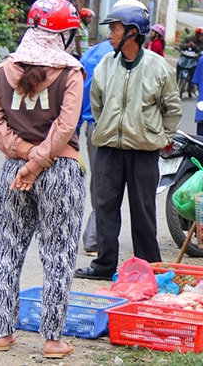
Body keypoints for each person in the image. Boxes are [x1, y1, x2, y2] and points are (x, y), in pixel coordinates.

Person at [0, 0, 86, 358]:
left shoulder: (0, 73)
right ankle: (53, 339)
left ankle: (2, 333)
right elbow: (66, 126)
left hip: (13, 172)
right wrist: (38, 160)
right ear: (64, 35)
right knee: (58, 253)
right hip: (60, 170)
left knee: (5, 249)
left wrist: (25, 157)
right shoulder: (71, 73)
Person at [75, 0, 182, 281]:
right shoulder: (105, 66)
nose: (110, 35)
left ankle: (149, 268)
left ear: (133, 32)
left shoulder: (159, 68)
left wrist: (161, 137)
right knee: (105, 207)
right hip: (109, 148)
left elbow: (173, 109)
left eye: (115, 29)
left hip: (144, 151)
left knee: (143, 211)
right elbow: (96, 102)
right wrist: (108, 127)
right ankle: (104, 266)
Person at [76, 39, 113, 255]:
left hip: (92, 127)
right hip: (109, 127)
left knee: (100, 181)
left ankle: (100, 233)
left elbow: (78, 91)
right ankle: (94, 238)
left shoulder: (91, 54)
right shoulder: (119, 57)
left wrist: (77, 126)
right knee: (108, 184)